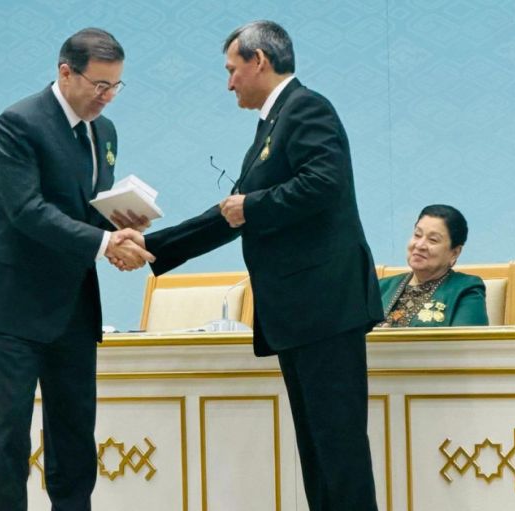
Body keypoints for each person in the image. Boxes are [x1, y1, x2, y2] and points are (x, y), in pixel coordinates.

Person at [118, 20, 384, 511]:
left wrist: (253, 206)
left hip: (325, 308)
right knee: (318, 454)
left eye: (231, 69)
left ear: (258, 61)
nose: (229, 83)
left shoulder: (308, 108)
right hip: (300, 314)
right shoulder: (273, 122)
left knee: (339, 452)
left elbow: (324, 183)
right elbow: (230, 214)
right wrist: (153, 246)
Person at [0, 28, 153, 511]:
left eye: (116, 86)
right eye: (99, 85)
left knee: (75, 430)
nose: (107, 97)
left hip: (72, 302)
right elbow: (26, 211)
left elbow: (83, 210)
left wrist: (120, 225)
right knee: (9, 435)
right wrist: (104, 242)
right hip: (14, 303)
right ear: (65, 72)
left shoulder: (104, 132)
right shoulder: (18, 124)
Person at [379, 204, 488, 327]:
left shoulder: (465, 289)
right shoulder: (381, 287)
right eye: (417, 235)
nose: (419, 245)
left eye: (433, 240)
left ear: (454, 253)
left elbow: (467, 338)